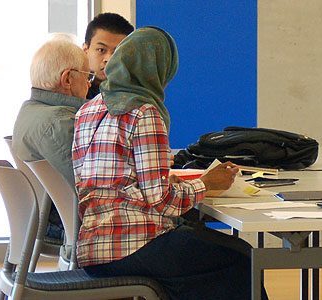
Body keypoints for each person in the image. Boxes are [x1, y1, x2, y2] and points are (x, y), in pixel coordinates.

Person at [72, 27, 266, 300]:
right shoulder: (144, 112)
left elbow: (98, 179)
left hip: (91, 248)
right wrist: (205, 184)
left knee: (215, 257)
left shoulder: (88, 110)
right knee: (242, 258)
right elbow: (160, 201)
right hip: (133, 245)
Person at [12, 36, 94, 240]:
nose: (89, 85)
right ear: (67, 79)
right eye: (87, 77)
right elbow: (90, 192)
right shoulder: (60, 123)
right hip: (67, 226)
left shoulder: (29, 111)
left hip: (43, 218)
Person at [82, 12, 134, 99]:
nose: (109, 59)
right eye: (101, 50)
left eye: (117, 52)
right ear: (85, 50)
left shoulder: (134, 95)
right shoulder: (69, 88)